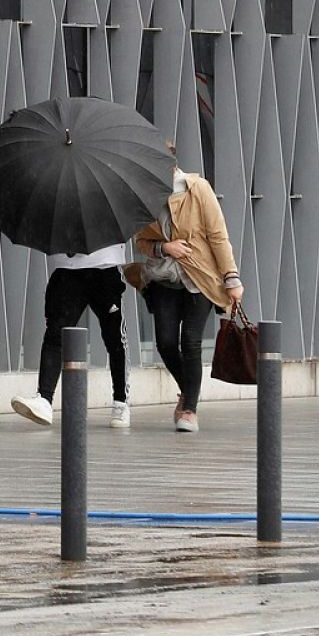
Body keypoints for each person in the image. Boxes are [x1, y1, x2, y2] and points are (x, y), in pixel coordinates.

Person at [132, 151, 245, 433]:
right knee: (165, 342)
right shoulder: (144, 194)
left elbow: (218, 235)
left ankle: (190, 410)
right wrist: (164, 248)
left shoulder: (198, 188)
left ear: (172, 166)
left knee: (191, 342)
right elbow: (140, 241)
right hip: (164, 278)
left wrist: (231, 277)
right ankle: (188, 390)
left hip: (200, 278)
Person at [11, 244, 132, 429]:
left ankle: (121, 402)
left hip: (105, 265)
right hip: (67, 268)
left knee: (115, 339)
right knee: (55, 334)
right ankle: (44, 399)